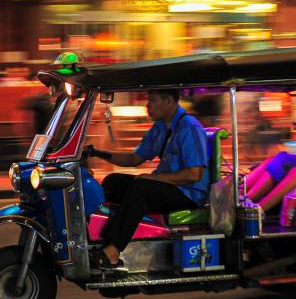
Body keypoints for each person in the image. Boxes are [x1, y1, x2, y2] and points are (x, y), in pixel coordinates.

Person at [84, 89, 209, 269]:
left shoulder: (189, 128)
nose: (147, 106)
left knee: (141, 188)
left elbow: (193, 175)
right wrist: (97, 153)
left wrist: (154, 179)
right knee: (113, 182)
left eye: (152, 101)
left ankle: (113, 250)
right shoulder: (160, 127)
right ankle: (100, 238)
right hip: (169, 186)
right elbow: (135, 158)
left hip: (188, 194)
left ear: (168, 101)